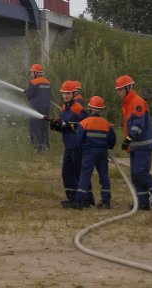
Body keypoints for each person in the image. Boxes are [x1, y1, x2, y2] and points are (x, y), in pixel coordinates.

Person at [115, 75, 152, 211]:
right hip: (136, 146)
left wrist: (128, 139)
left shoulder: (137, 102)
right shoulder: (128, 102)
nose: (118, 92)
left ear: (128, 87)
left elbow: (138, 124)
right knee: (135, 175)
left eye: (120, 89)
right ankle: (143, 202)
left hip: (143, 144)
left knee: (141, 172)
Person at [50, 80, 93, 208]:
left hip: (77, 146)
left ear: (74, 93)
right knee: (66, 172)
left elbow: (85, 125)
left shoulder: (79, 108)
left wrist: (70, 125)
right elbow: (65, 127)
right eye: (64, 93)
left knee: (79, 172)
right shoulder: (63, 108)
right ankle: (73, 198)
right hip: (68, 146)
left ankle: (87, 200)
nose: (66, 96)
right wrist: (57, 126)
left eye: (68, 93)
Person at [73, 96, 116, 209]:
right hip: (102, 153)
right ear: (101, 109)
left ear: (90, 108)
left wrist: (82, 149)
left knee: (85, 176)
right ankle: (106, 201)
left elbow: (79, 140)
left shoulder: (84, 123)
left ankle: (79, 201)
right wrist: (107, 147)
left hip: (89, 153)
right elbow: (113, 140)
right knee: (104, 176)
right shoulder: (106, 124)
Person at [24, 63, 51, 153]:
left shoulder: (33, 82)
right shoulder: (48, 82)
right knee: (44, 127)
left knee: (35, 127)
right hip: (46, 108)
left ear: (35, 72)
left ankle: (38, 147)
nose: (32, 74)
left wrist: (27, 92)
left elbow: (29, 95)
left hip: (35, 108)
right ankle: (45, 145)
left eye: (32, 72)